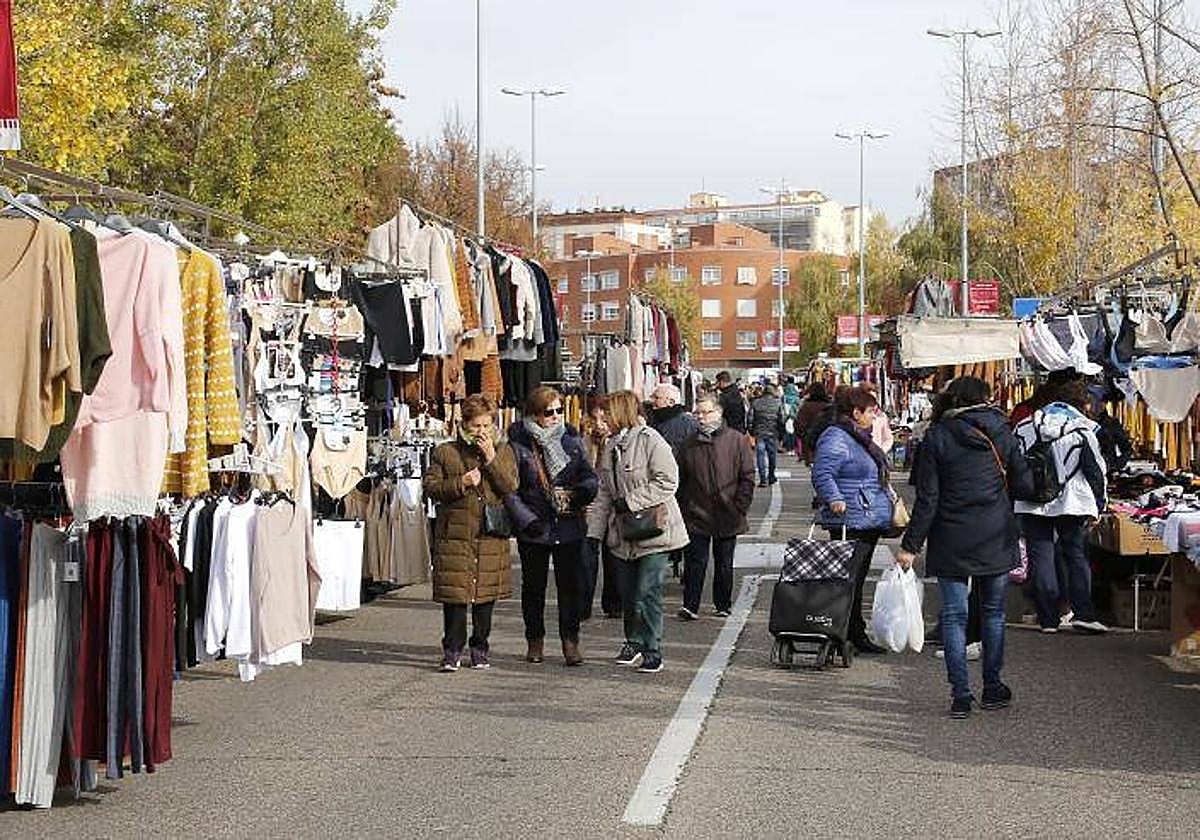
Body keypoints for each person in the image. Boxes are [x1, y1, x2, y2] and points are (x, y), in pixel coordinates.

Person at [896, 377, 1034, 719]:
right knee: (994, 613)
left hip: (951, 535)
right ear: (985, 398)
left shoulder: (937, 436)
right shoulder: (1003, 432)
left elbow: (928, 498)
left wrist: (910, 545)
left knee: (955, 615)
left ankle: (960, 694)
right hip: (995, 534)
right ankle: (993, 687)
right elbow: (1024, 484)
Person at [587, 390, 689, 673]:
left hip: (655, 529)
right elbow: (604, 494)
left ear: (621, 414)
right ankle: (633, 640)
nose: (602, 420)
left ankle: (653, 649)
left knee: (648, 590)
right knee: (630, 593)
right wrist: (594, 534)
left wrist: (631, 501)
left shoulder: (650, 440)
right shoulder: (611, 446)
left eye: (607, 414)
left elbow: (668, 481)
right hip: (624, 533)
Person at [424, 394, 519, 672]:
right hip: (455, 534)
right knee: (455, 598)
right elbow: (431, 487)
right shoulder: (445, 452)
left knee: (485, 598)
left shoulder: (504, 450)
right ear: (464, 424)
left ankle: (480, 647)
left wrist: (491, 458)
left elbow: (510, 486)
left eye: (486, 425)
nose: (481, 432)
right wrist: (461, 482)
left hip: (490, 535)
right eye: (476, 425)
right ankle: (452, 650)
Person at [506, 386, 599, 666]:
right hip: (535, 527)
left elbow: (588, 474)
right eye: (549, 412)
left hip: (568, 524)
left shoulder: (571, 439)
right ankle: (534, 640)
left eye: (559, 410)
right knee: (533, 589)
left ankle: (570, 641)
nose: (556, 416)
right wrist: (527, 520)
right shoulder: (518, 444)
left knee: (570, 587)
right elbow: (510, 490)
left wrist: (584, 491)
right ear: (534, 414)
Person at [1013, 378, 1109, 635]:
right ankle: (1083, 614)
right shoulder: (1083, 429)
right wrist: (1099, 504)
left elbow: (1013, 463)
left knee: (1040, 556)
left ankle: (1047, 619)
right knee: (1075, 555)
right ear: (1081, 404)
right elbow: (1095, 470)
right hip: (1072, 501)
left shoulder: (1025, 426)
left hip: (1031, 500)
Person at [810, 385, 893, 654]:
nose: (874, 416)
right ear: (856, 412)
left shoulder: (858, 435)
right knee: (849, 580)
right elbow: (822, 472)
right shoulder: (837, 436)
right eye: (870, 411)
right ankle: (843, 633)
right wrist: (834, 498)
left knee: (855, 580)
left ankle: (854, 631)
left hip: (865, 517)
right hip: (850, 518)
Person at [676, 394, 755, 620]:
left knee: (724, 563)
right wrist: (683, 508)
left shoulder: (736, 440)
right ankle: (690, 605)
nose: (701, 417)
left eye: (706, 412)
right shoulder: (689, 444)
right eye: (697, 413)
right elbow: (681, 479)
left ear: (718, 413)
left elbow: (747, 476)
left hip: (728, 512)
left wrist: (739, 506)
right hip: (696, 512)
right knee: (695, 562)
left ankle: (723, 604)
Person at [581, 395, 621, 619]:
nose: (599, 424)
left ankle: (614, 603)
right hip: (591, 506)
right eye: (594, 419)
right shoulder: (585, 442)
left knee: (613, 554)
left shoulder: (618, 441)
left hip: (614, 505)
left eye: (603, 419)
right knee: (586, 557)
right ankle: (583, 606)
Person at [749, 382, 783, 487]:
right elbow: (782, 418)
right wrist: (781, 433)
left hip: (759, 432)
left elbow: (750, 418)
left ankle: (762, 478)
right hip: (773, 432)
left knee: (760, 455)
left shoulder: (756, 402)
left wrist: (751, 430)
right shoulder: (778, 402)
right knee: (772, 455)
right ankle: (771, 476)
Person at [648, 383, 699, 453]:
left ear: (671, 402)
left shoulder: (688, 423)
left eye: (656, 397)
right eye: (652, 397)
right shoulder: (650, 418)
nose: (652, 401)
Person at [795, 382, 832, 463]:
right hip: (827, 441)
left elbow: (799, 425)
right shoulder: (829, 406)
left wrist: (804, 436)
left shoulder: (806, 406)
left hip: (810, 443)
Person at [781, 378, 802, 452]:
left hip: (786, 415)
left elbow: (782, 406)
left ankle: (788, 447)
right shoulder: (796, 397)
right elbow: (799, 407)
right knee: (793, 431)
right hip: (795, 415)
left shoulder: (784, 397)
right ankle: (793, 448)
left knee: (787, 431)